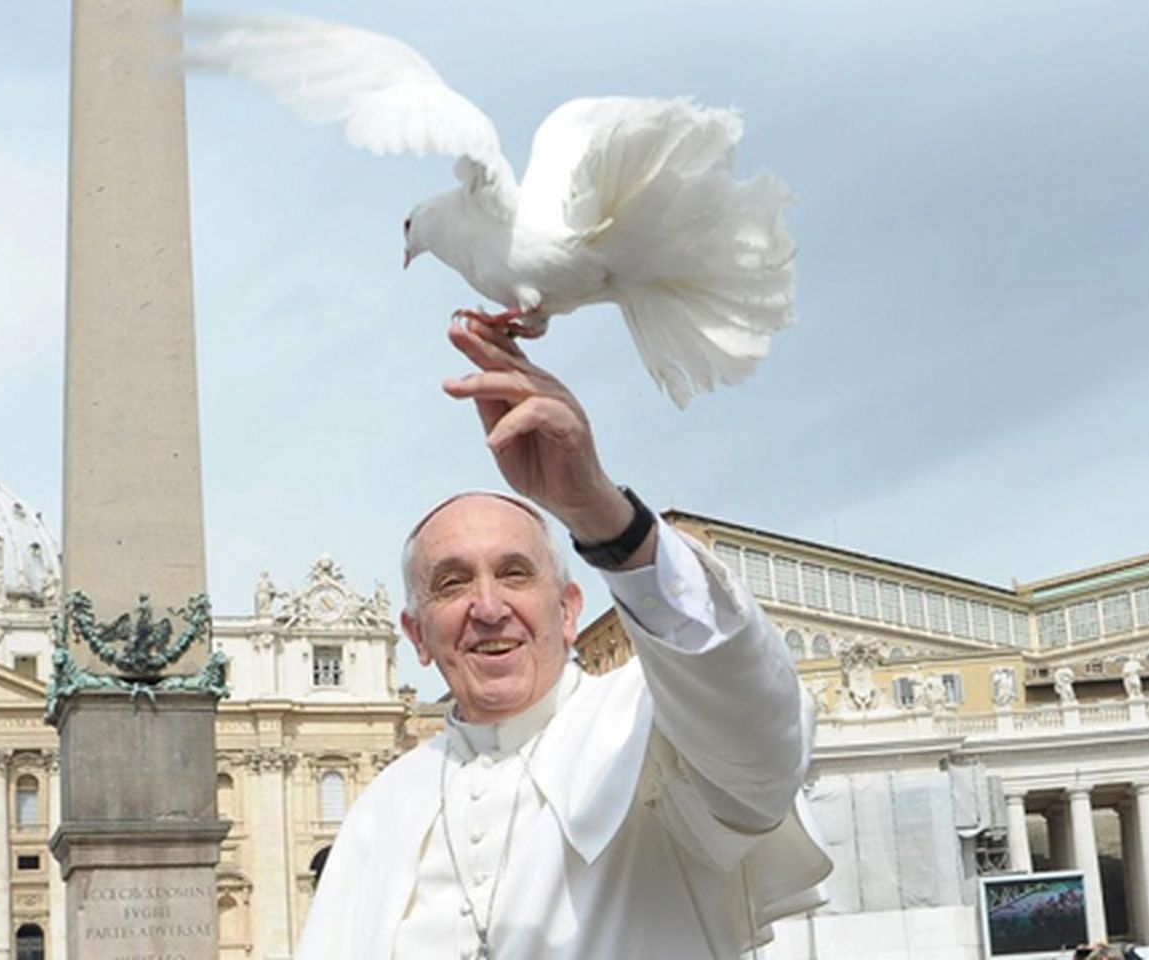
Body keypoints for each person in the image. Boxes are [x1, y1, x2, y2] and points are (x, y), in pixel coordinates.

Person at [295, 319, 829, 959]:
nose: (488, 607)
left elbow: (758, 736)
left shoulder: (651, 725)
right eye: (452, 583)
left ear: (570, 609)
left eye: (515, 574)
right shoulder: (383, 805)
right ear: (417, 636)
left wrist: (598, 511)